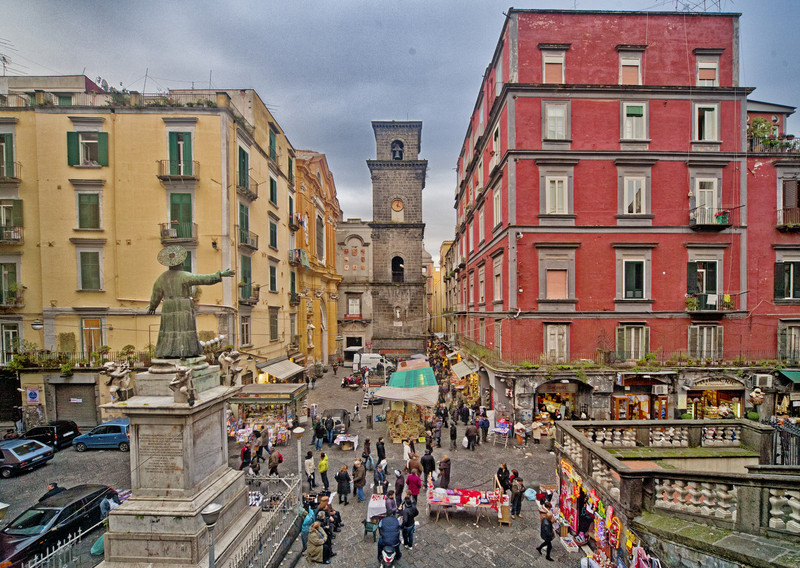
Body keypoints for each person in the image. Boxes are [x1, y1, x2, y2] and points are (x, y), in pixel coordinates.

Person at [147, 245, 234, 358]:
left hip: (168, 306)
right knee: (185, 329)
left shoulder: (161, 278)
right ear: (180, 264)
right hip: (183, 305)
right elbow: (202, 278)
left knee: (169, 330)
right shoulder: (184, 276)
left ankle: (167, 351)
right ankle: (187, 352)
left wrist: (152, 307)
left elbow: (156, 295)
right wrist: (220, 275)